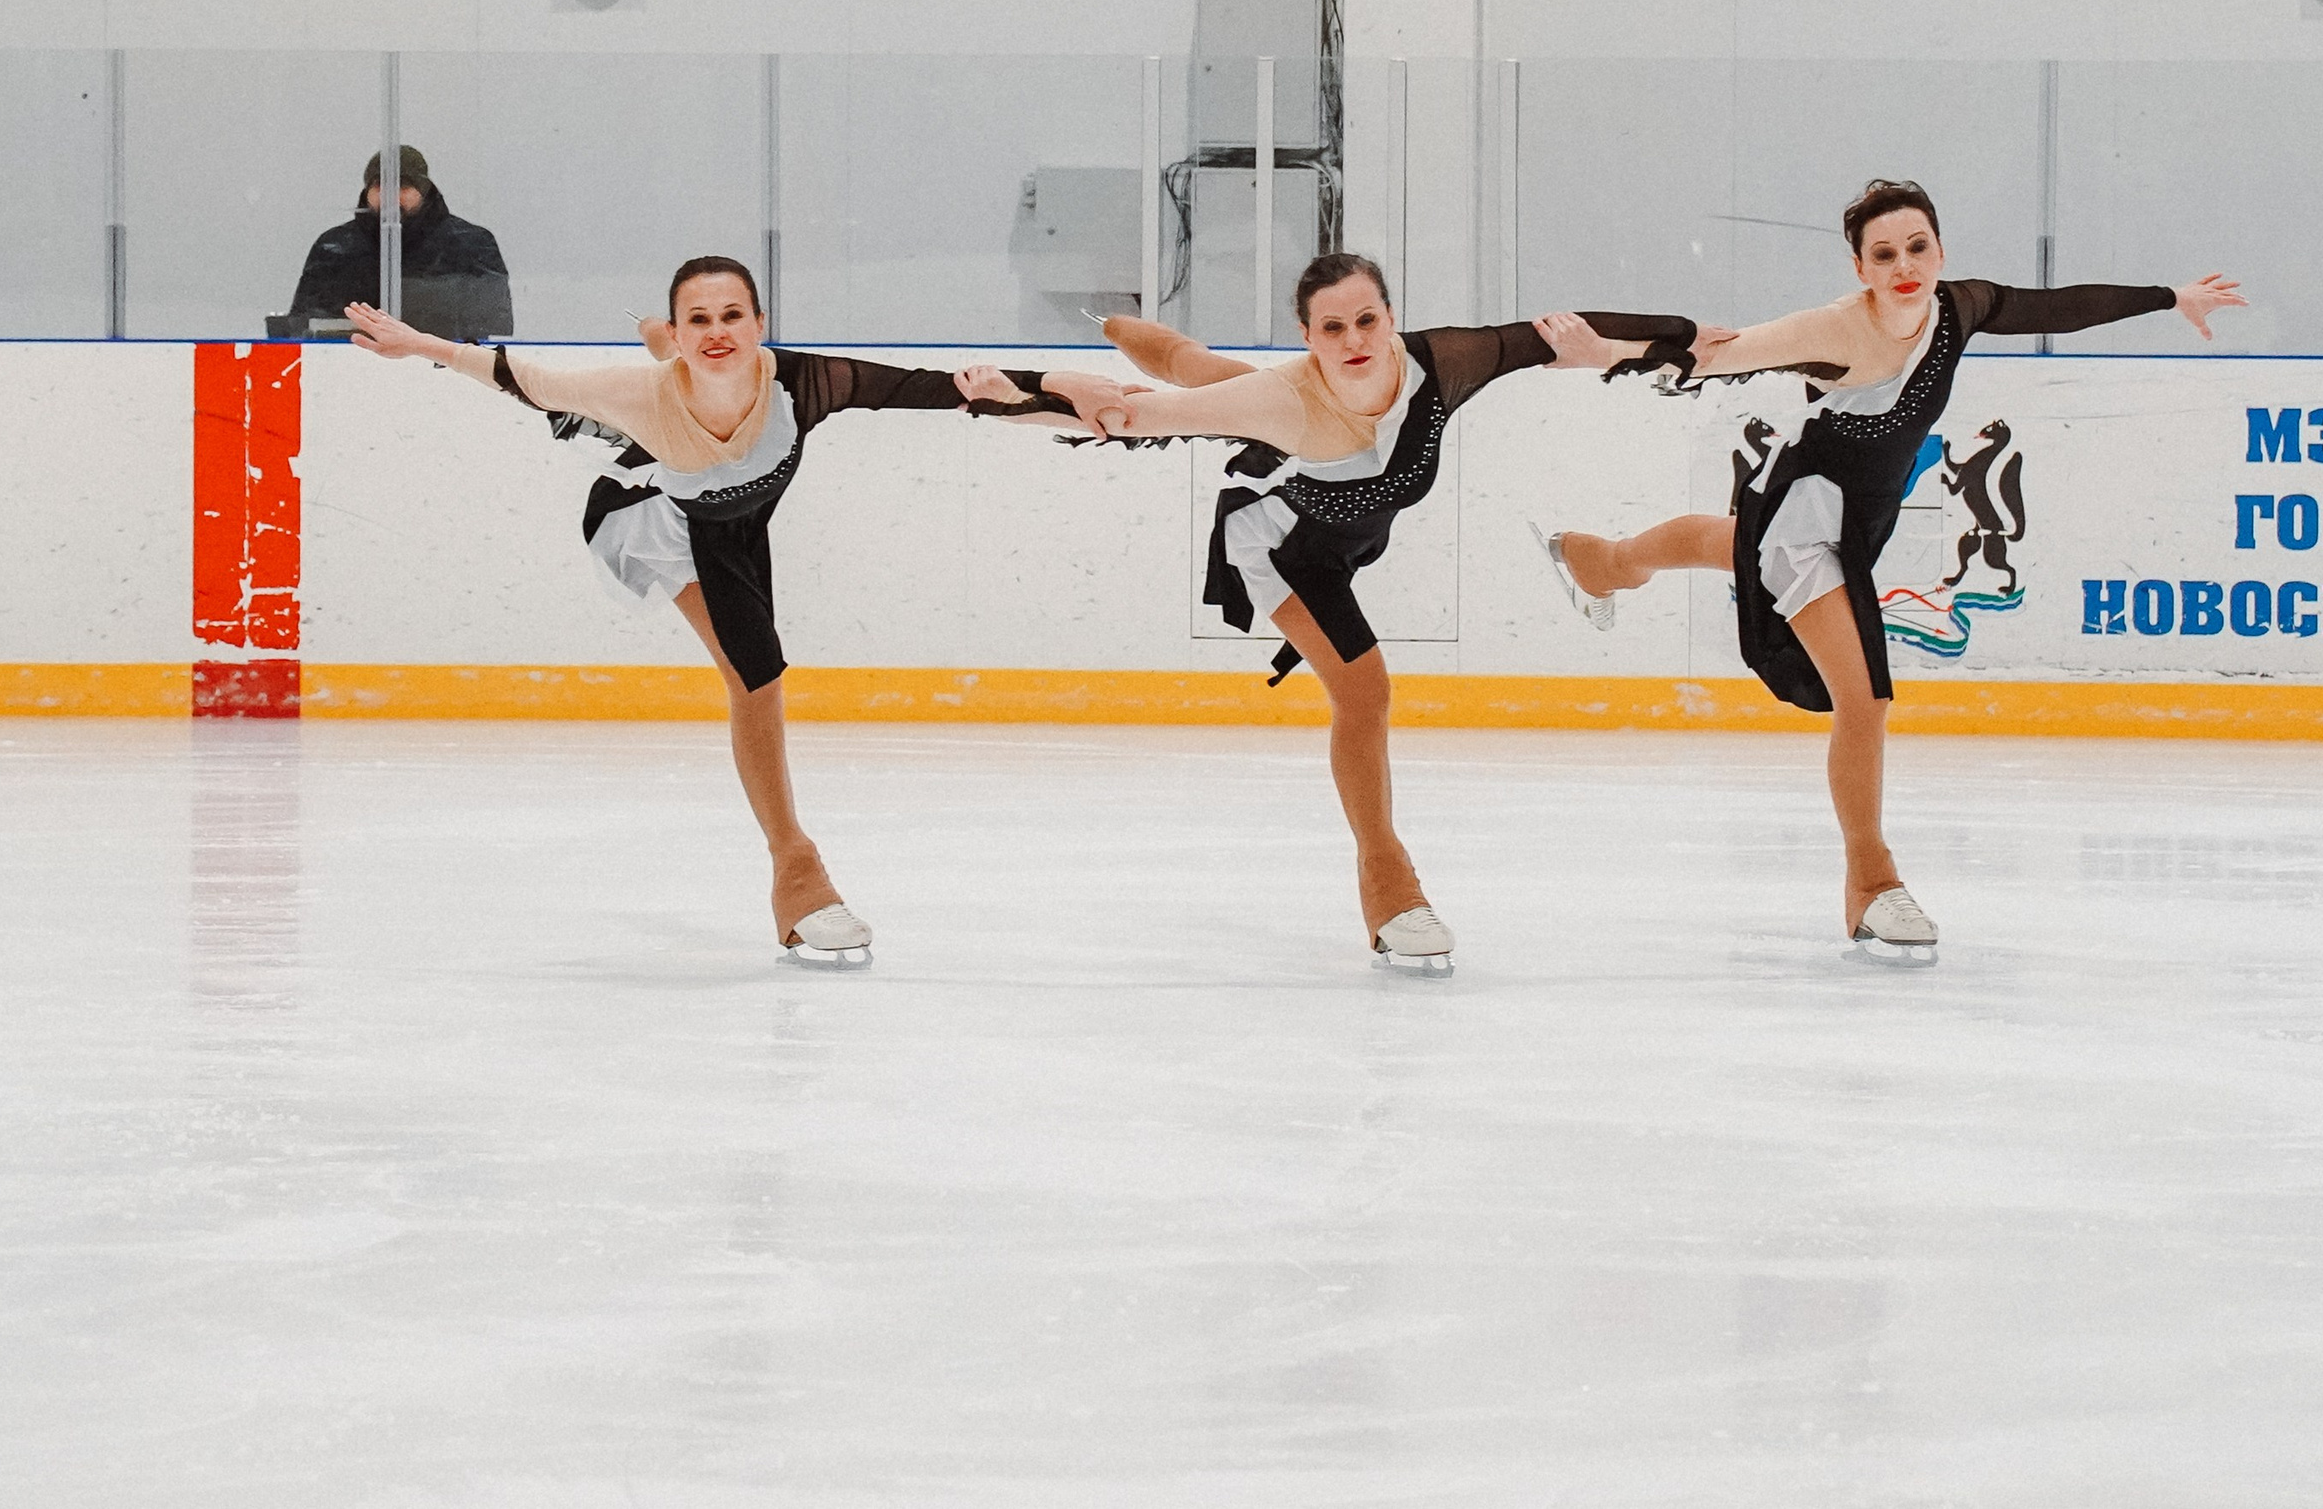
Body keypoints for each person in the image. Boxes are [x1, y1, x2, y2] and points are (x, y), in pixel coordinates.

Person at [1535, 180, 2246, 960]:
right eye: (1884, 254)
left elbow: (2055, 306)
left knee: (1724, 542)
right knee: (1863, 697)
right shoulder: (1837, 329)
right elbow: (1720, 355)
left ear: (1939, 250)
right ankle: (1871, 883)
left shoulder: (1962, 307)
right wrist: (1599, 352)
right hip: (1808, 520)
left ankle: (1600, 561)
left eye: (1917, 248)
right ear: (1860, 265)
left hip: (1852, 525)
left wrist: (2169, 297)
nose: (1904, 265)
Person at [959, 254, 1718, 970]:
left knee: (1196, 366)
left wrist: (1690, 338)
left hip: (1350, 527)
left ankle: (1113, 320)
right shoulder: (1281, 398)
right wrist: (1003, 398)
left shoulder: (1444, 363)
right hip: (1285, 545)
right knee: (1365, 692)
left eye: (1366, 320)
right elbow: (1127, 417)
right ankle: (1389, 887)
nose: (1353, 340)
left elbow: (1562, 332)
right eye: (1331, 328)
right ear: (1307, 336)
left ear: (1390, 317)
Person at [342, 256, 1087, 961]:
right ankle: (797, 872)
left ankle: (794, 873)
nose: (718, 330)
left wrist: (1052, 385)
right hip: (662, 517)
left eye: (732, 314)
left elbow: (933, 389)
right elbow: (521, 376)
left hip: (739, 524)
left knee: (755, 666)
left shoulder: (803, 381)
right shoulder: (640, 391)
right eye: (697, 320)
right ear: (679, 331)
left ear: (761, 322)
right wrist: (418, 345)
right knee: (756, 675)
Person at [289, 146, 514, 341]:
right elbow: (303, 324)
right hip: (353, 370)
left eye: (402, 186)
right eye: (379, 185)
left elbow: (495, 326)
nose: (389, 196)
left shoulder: (471, 244)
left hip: (443, 371)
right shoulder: (335, 248)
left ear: (423, 191)